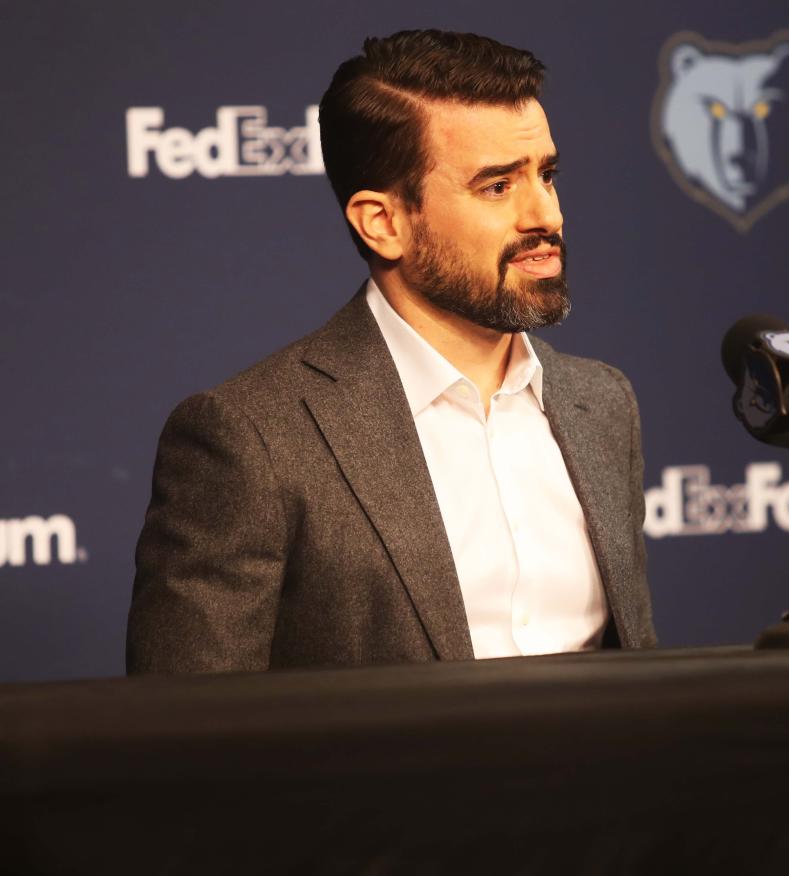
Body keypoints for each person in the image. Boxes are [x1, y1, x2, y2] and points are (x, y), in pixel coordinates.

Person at [127, 29, 655, 673]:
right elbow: (190, 734)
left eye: (546, 175)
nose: (545, 215)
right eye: (496, 186)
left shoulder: (601, 402)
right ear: (383, 222)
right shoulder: (250, 438)